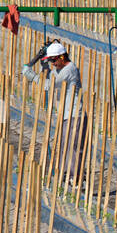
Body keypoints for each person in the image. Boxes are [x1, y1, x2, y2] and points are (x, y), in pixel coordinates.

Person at [22, 41, 84, 188]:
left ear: (62, 57)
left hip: (75, 114)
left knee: (73, 148)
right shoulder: (60, 69)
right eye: (51, 61)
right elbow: (52, 75)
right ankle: (66, 175)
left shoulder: (70, 69)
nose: (53, 64)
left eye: (54, 60)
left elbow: (48, 85)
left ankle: (75, 179)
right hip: (66, 114)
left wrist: (32, 76)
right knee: (63, 146)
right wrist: (43, 65)